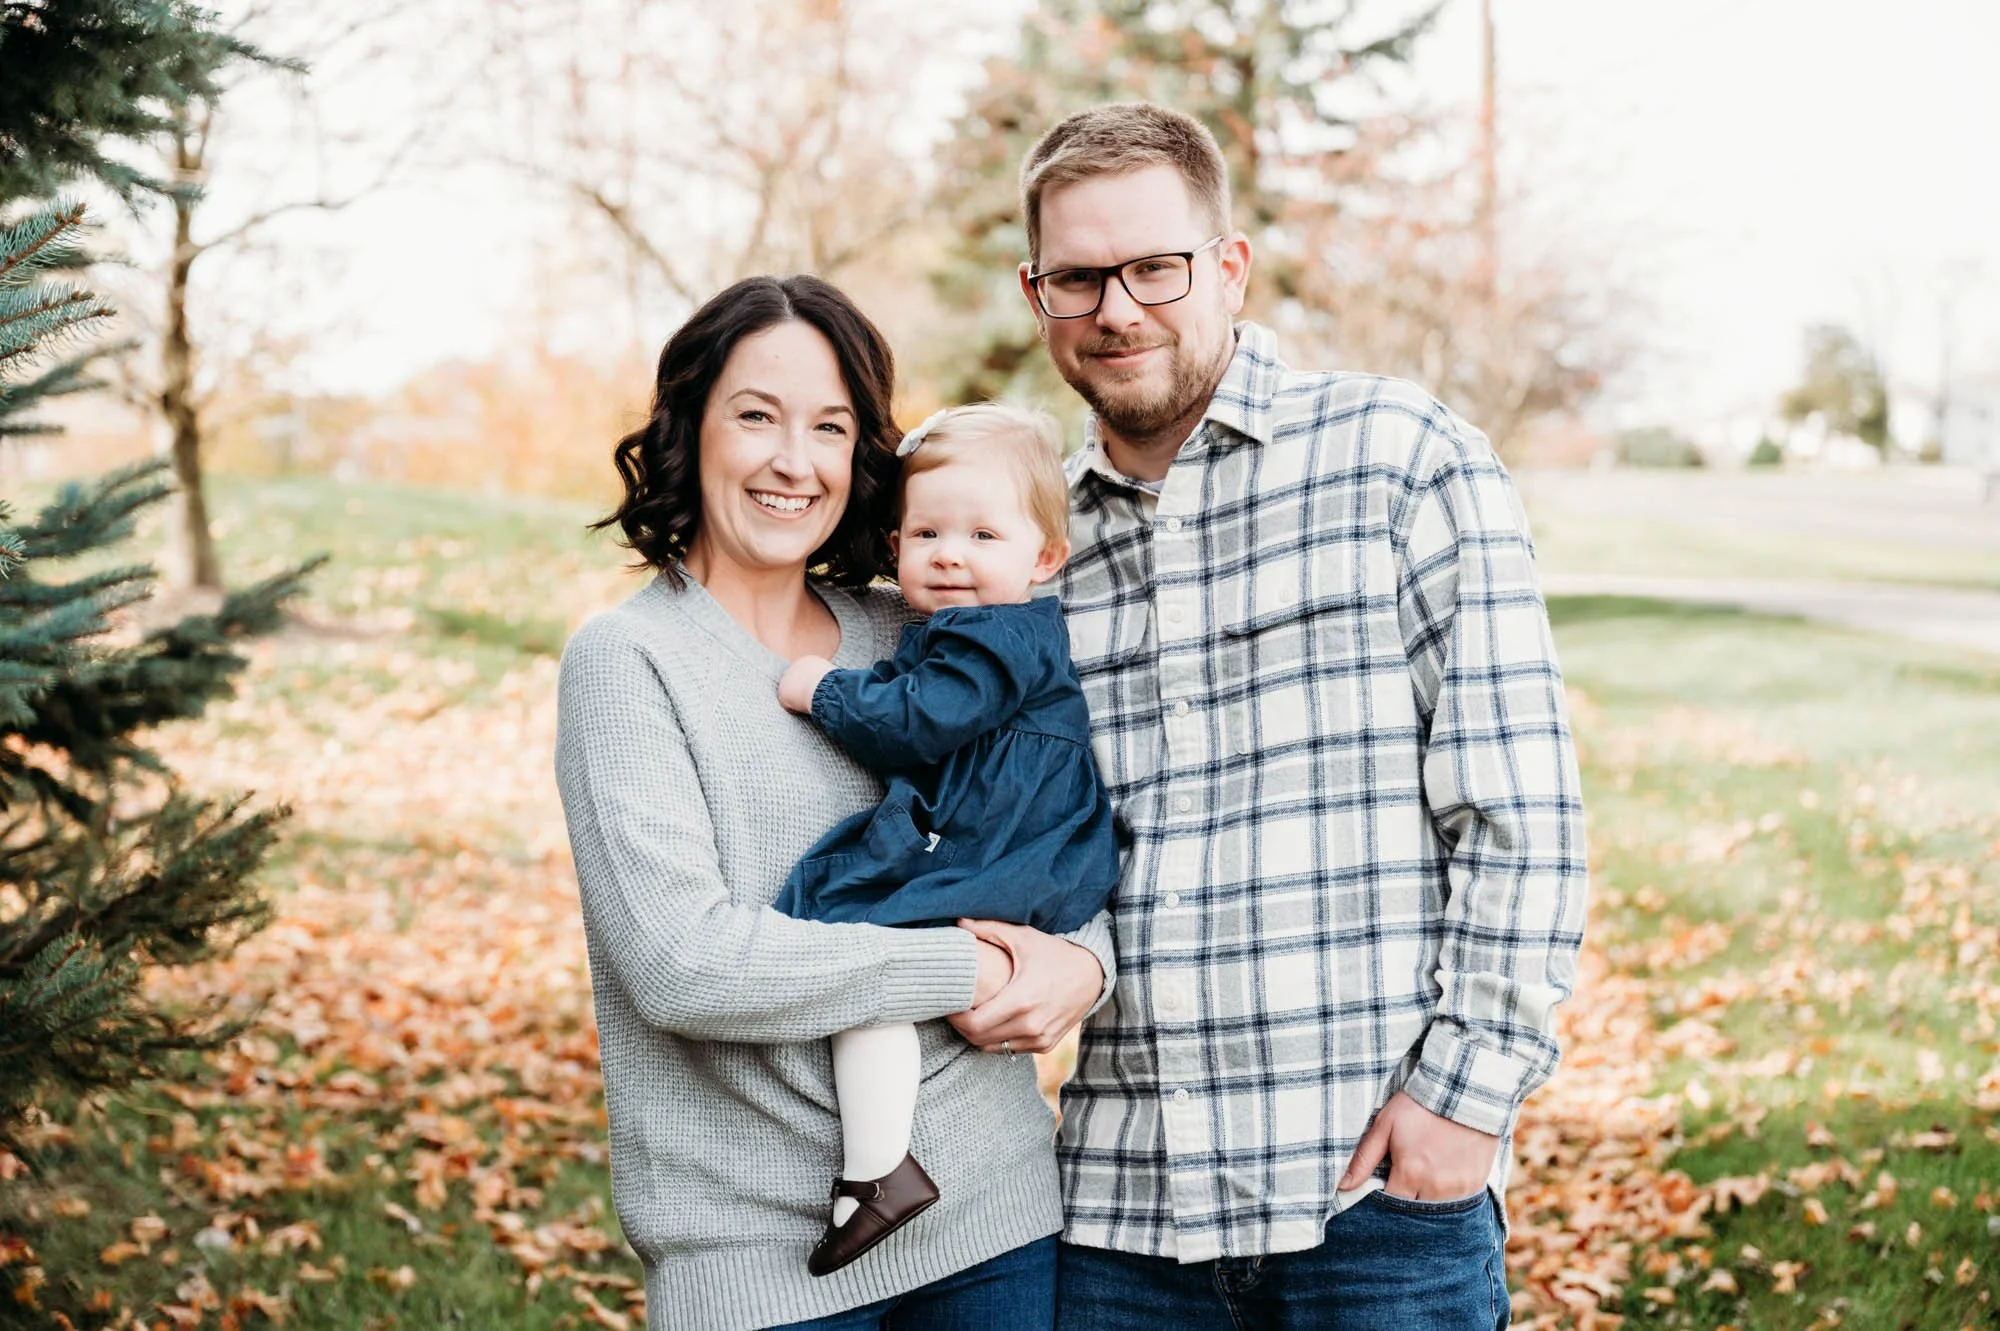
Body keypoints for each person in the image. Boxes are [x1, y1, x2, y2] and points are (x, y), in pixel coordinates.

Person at [1014, 103, 1590, 1329]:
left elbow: (1519, 811)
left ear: (1227, 265)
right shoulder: (1034, 552)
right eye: (1077, 279)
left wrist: (1463, 1101)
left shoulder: (1396, 456)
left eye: (1154, 267)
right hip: (1119, 1220)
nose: (1115, 308)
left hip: (1370, 1207)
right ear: (1036, 293)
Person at [554, 274, 1116, 1331]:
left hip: (994, 1224)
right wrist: (970, 966)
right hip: (760, 1262)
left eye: (828, 426)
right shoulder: (630, 661)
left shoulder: (926, 628)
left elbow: (1042, 813)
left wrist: (1082, 961)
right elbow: (684, 963)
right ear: (689, 428)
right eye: (755, 416)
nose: (793, 460)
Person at [771, 403, 1121, 1278]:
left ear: (1044, 558)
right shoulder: (972, 630)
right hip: (1008, 837)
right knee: (866, 959)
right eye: (926, 533)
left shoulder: (995, 635)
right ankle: (877, 1166)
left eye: (982, 534)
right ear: (895, 545)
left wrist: (825, 690)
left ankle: (878, 1170)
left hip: (1009, 845)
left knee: (858, 944)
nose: (950, 554)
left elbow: (921, 720)